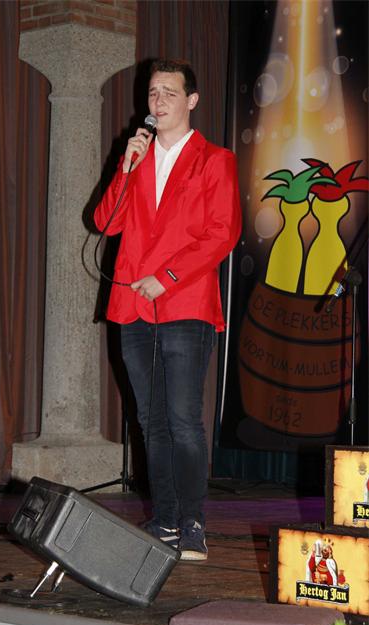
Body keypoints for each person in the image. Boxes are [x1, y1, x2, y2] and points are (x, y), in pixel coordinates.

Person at [94, 59, 241, 560]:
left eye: (170, 93)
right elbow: (105, 223)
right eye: (153, 93)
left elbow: (222, 232)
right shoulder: (135, 158)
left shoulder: (215, 160)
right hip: (132, 303)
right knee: (151, 422)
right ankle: (165, 521)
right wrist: (125, 167)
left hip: (185, 302)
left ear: (191, 101)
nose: (158, 102)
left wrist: (169, 276)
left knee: (182, 420)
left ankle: (193, 523)